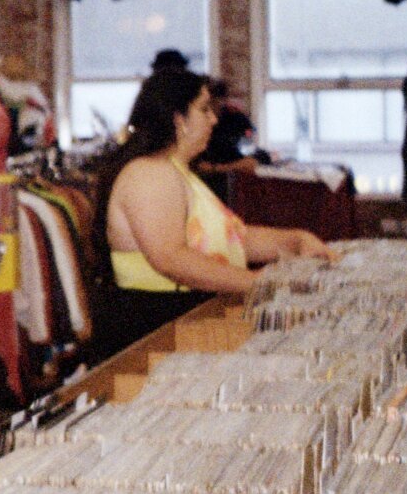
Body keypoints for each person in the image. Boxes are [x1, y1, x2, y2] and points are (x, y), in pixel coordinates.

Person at [95, 69, 333, 356]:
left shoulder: (178, 172)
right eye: (204, 109)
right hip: (155, 330)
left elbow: (234, 239)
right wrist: (258, 283)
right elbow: (170, 258)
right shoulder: (149, 173)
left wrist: (295, 241)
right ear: (179, 119)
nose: (214, 119)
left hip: (182, 321)